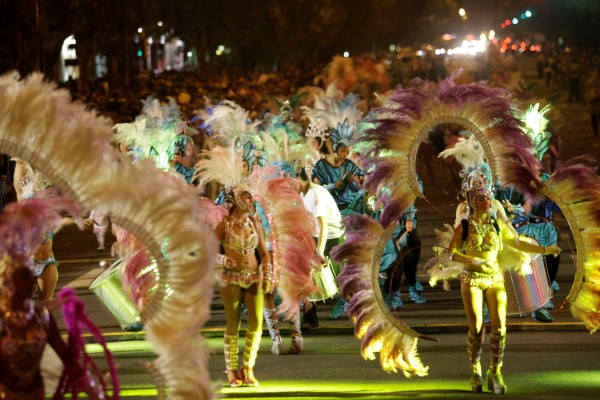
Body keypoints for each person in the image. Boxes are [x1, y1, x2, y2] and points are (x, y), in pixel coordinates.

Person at [447, 168, 560, 394]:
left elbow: (517, 242)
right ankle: (475, 368)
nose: (486, 202)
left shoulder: (497, 224)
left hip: (495, 279)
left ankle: (495, 371)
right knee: (477, 327)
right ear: (472, 200)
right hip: (472, 280)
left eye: (488, 197)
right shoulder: (465, 226)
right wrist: (473, 261)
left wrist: (545, 248)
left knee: (500, 327)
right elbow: (452, 254)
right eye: (481, 198)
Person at [215, 187, 272, 387]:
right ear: (238, 201)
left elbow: (264, 252)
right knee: (234, 323)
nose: (252, 200)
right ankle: (231, 370)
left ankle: (248, 367)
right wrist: (223, 259)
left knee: (256, 323)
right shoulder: (224, 225)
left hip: (254, 277)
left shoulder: (255, 223)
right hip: (230, 278)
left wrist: (269, 275)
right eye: (248, 197)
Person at [297, 166, 345, 323]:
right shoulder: (302, 194)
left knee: (339, 279)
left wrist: (319, 252)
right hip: (317, 234)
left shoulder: (315, 194)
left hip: (333, 236)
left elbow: (323, 225)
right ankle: (310, 314)